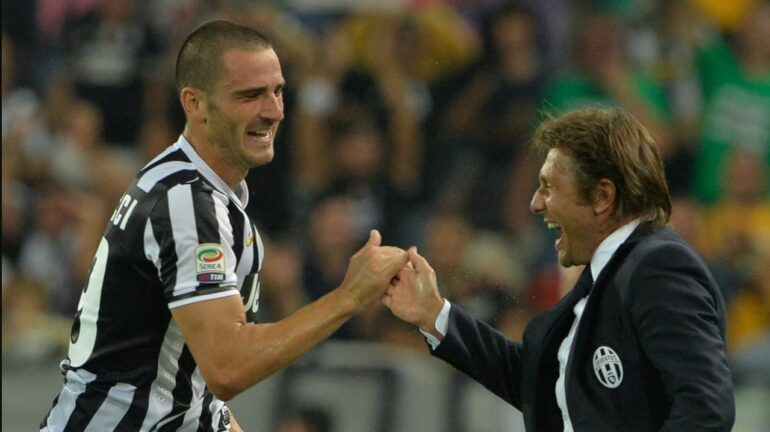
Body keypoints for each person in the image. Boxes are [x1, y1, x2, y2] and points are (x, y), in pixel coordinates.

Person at [40, 20, 409, 432]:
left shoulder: (203, 193)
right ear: (195, 103)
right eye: (249, 95)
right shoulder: (186, 202)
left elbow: (196, 391)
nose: (273, 111)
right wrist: (348, 297)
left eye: (277, 91)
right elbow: (227, 367)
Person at [383, 107, 735, 431]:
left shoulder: (658, 268)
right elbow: (539, 382)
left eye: (549, 187)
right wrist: (434, 314)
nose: (535, 203)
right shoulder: (608, 273)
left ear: (602, 197)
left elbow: (705, 408)